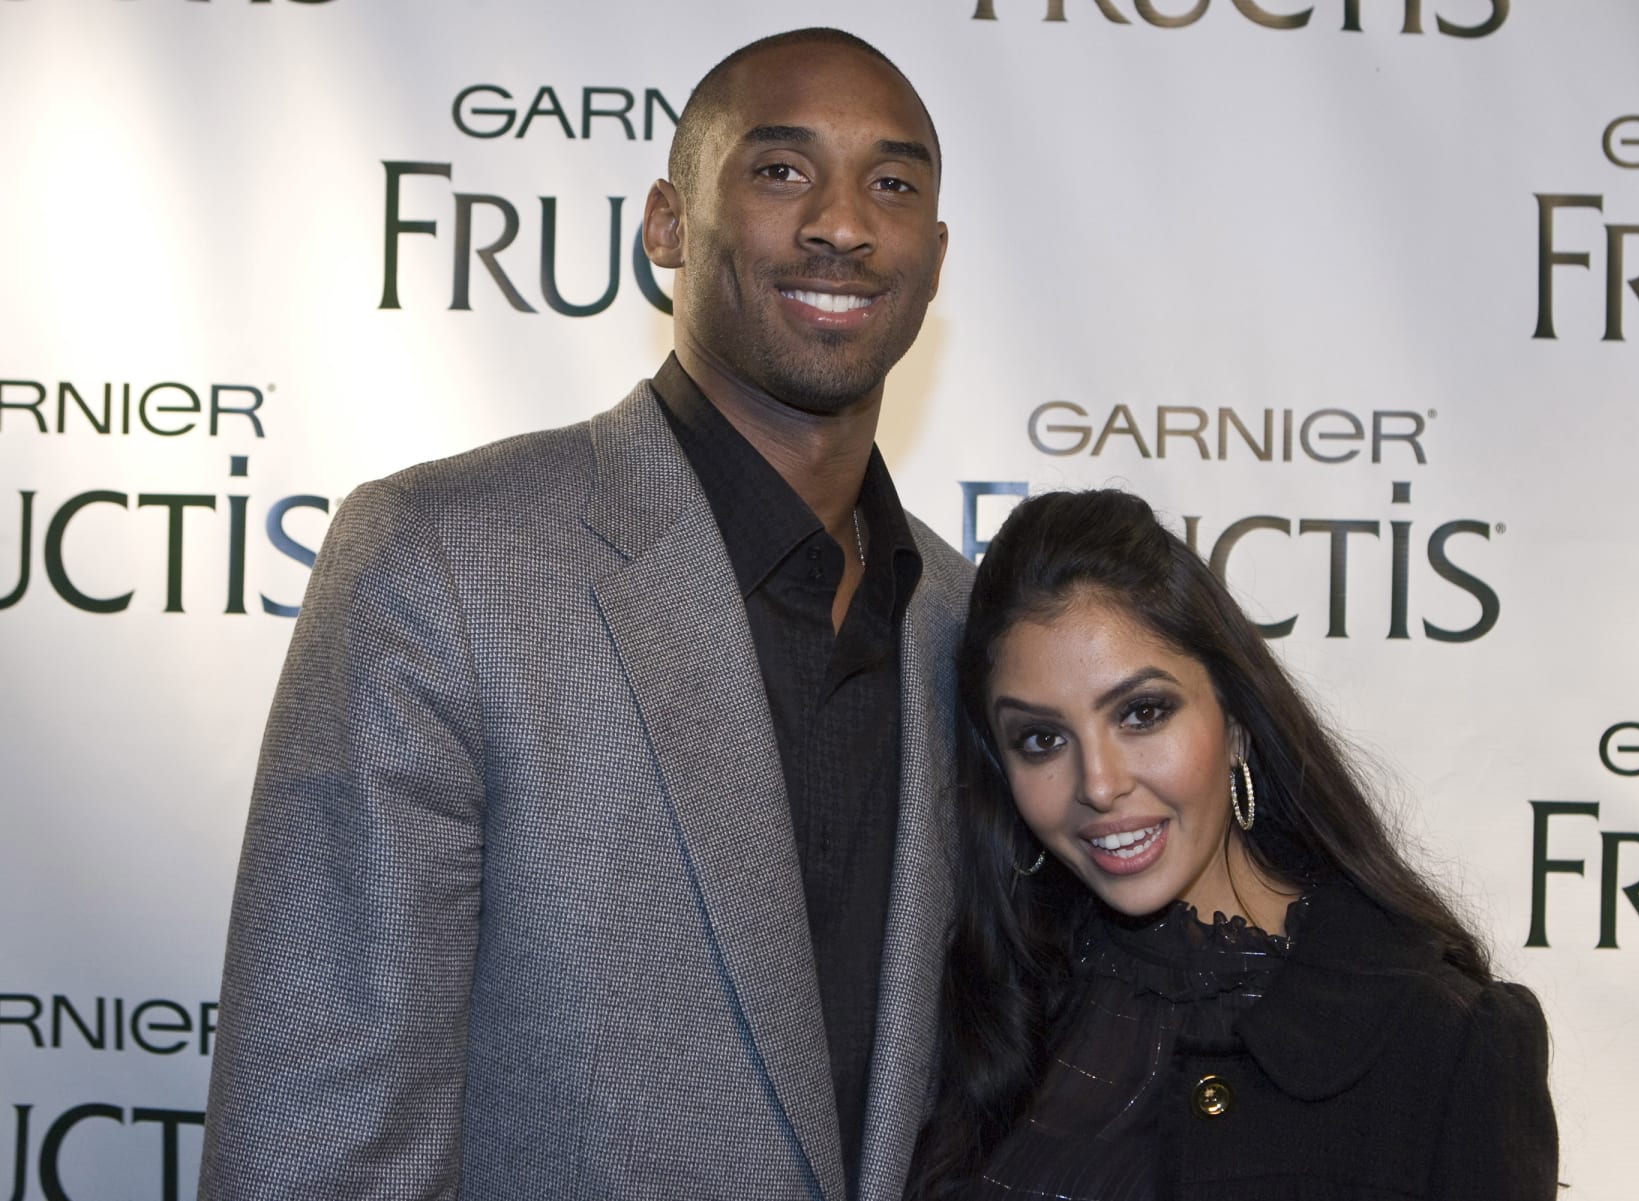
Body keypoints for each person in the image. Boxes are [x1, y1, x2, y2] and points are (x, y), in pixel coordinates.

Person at [200, 28, 969, 1201]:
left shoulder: (962, 622)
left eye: (893, 184)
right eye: (779, 170)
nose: (842, 223)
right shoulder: (444, 561)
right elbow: (323, 1131)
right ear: (666, 223)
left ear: (934, 253)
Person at [909, 489, 1558, 1200]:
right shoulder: (977, 1004)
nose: (1098, 783)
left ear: (1237, 717)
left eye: (1142, 713)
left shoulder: (1440, 1039)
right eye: (1041, 739)